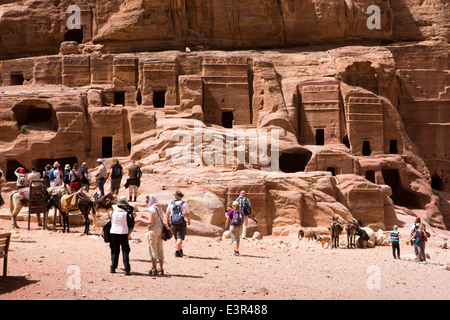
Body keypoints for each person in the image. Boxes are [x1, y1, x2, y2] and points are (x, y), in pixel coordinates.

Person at [136, 195, 165, 275]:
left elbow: (151, 222)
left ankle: (154, 269)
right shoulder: (159, 208)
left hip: (153, 230)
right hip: (160, 229)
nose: (146, 203)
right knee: (160, 248)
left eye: (146, 201)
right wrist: (146, 217)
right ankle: (161, 268)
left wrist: (140, 220)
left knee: (153, 248)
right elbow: (157, 219)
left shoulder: (152, 209)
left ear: (150, 201)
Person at [109, 196, 132, 275]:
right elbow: (130, 223)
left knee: (114, 251)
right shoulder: (125, 214)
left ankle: (113, 267)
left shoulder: (112, 212)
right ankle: (127, 269)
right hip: (122, 233)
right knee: (125, 251)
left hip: (113, 232)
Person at [166, 190, 191, 257]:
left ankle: (180, 249)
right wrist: (189, 221)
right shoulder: (184, 204)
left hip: (173, 221)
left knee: (176, 236)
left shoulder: (171, 204)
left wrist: (167, 222)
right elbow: (188, 214)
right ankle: (177, 251)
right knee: (180, 236)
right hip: (181, 221)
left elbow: (167, 213)